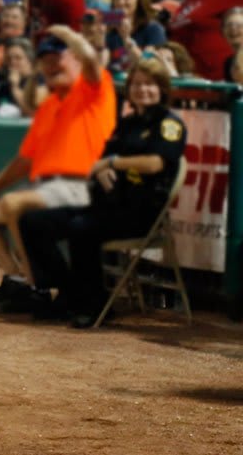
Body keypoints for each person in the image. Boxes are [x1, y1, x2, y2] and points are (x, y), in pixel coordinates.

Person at [18, 57, 186, 327]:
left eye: (150, 85)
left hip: (140, 212)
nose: (143, 90)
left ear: (162, 89)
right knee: (33, 221)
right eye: (137, 84)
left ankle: (95, 305)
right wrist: (101, 169)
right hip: (107, 202)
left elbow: (155, 163)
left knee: (81, 228)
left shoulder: (169, 125)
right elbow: (100, 158)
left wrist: (113, 164)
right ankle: (69, 292)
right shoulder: (129, 122)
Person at [0, 26, 115, 309]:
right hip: (48, 188)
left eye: (59, 58)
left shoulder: (93, 89)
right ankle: (17, 279)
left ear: (76, 60)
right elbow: (25, 161)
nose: (52, 65)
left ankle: (38, 288)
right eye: (46, 60)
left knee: (13, 203)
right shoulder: (50, 105)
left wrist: (72, 37)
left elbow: (92, 62)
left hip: (84, 186)